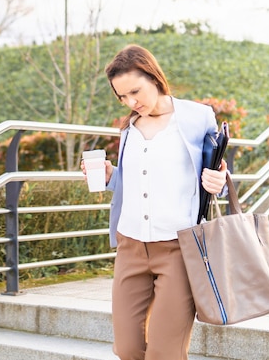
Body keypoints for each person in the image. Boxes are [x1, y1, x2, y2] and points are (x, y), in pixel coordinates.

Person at [82, 44, 228, 360]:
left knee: (165, 353)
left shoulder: (197, 117)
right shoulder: (129, 129)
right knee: (127, 348)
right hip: (130, 247)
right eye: (122, 97)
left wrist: (219, 181)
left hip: (177, 249)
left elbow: (218, 173)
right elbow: (138, 180)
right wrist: (110, 176)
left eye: (135, 91)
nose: (131, 103)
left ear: (154, 77)